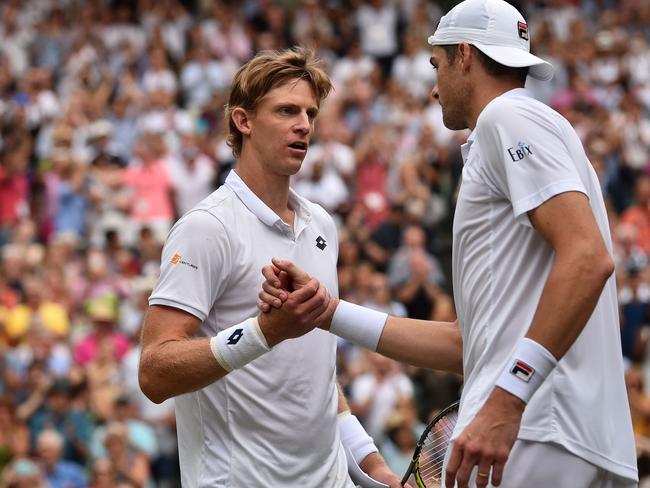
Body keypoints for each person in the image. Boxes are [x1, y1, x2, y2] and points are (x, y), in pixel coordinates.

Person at [257, 2, 638, 487]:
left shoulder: (507, 115)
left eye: (436, 65)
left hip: (536, 427)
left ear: (464, 55)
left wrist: (507, 399)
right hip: (562, 433)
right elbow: (466, 344)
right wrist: (328, 312)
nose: (434, 88)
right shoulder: (528, 125)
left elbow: (588, 259)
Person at [138, 47, 402, 487]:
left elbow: (317, 379)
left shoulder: (321, 224)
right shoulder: (206, 226)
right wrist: (263, 334)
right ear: (243, 121)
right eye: (286, 110)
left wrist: (373, 466)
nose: (304, 124)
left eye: (310, 113)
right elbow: (154, 372)